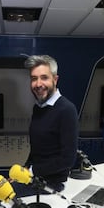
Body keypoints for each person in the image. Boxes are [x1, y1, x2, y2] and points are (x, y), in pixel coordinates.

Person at [21, 54, 78, 194]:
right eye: (34, 79)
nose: (38, 84)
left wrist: (32, 171)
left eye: (44, 77)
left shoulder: (67, 109)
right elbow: (37, 150)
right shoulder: (39, 107)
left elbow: (68, 159)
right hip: (35, 177)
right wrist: (24, 169)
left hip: (52, 184)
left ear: (55, 79)